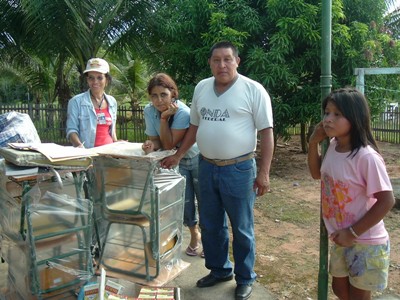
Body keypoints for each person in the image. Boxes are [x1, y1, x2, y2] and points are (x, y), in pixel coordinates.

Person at [161, 41, 274, 300]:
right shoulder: (202, 88)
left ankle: (245, 277)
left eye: (227, 59)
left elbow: (267, 134)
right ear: (210, 62)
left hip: (240, 169)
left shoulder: (253, 90)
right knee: (211, 224)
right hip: (207, 166)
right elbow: (194, 128)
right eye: (216, 60)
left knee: (242, 227)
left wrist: (264, 173)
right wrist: (178, 155)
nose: (221, 65)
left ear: (237, 61)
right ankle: (220, 270)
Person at [308, 87, 395, 300]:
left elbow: (387, 200)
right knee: (339, 289)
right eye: (327, 112)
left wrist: (353, 232)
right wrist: (313, 143)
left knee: (359, 295)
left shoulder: (366, 157)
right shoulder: (334, 146)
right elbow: (316, 173)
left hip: (365, 239)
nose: (328, 119)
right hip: (340, 235)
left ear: (355, 117)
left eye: (337, 114)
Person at [142, 73, 202, 257]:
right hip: (177, 161)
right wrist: (151, 145)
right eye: (154, 95)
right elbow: (159, 141)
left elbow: (168, 144)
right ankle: (195, 236)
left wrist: (163, 120)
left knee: (206, 201)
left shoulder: (182, 112)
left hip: (197, 158)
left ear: (173, 94)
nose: (159, 100)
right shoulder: (149, 111)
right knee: (185, 202)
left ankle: (209, 239)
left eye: (163, 95)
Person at [66, 57, 118, 148]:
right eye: (91, 78)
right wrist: (80, 147)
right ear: (87, 80)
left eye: (99, 78)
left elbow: (112, 131)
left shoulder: (112, 102)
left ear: (107, 80)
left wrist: (117, 144)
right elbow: (71, 130)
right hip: (88, 154)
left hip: (109, 153)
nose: (95, 82)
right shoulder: (76, 102)